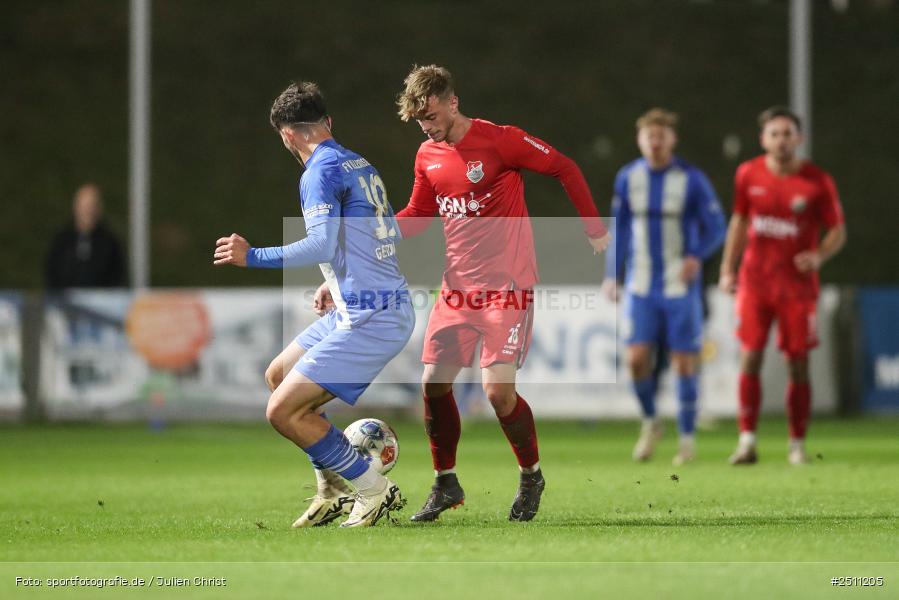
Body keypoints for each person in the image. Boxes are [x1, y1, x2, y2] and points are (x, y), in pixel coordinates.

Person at [379, 64, 609, 522]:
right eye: (420, 121)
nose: (427, 126)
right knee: (433, 384)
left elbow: (564, 166)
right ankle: (445, 482)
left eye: (430, 115)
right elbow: (420, 214)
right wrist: (378, 233)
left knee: (497, 393)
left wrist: (594, 228)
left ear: (451, 101)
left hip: (507, 285)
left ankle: (531, 475)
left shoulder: (500, 140)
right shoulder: (428, 155)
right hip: (457, 288)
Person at [213, 81, 414, 527]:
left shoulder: (318, 171)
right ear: (328, 123)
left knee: (282, 411)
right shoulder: (359, 162)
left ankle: (373, 488)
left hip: (372, 316)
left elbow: (321, 244)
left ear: (287, 134)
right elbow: (383, 233)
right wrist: (336, 281)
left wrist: (253, 256)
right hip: (359, 303)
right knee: (279, 375)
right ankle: (333, 489)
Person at [718, 106, 846, 466]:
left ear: (799, 138)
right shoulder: (748, 174)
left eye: (787, 133)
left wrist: (819, 255)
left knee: (798, 364)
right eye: (774, 133)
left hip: (797, 289)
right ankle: (747, 442)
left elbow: (837, 230)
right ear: (763, 139)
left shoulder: (816, 180)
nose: (781, 140)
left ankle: (797, 444)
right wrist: (728, 269)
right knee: (751, 356)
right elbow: (740, 221)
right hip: (755, 284)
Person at [601, 108, 726, 465]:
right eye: (649, 136)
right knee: (636, 360)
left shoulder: (692, 179)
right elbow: (621, 229)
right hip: (641, 286)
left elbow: (718, 226)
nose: (655, 142)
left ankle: (687, 441)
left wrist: (696, 255)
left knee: (685, 364)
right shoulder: (628, 178)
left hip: (679, 286)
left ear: (672, 140)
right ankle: (651, 421)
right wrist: (613, 274)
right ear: (640, 140)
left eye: (661, 136)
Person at [45, 183, 127, 289]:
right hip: (65, 303)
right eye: (85, 206)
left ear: (99, 209)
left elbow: (117, 277)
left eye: (92, 206)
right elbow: (52, 274)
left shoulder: (111, 242)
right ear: (76, 207)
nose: (88, 211)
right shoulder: (61, 241)